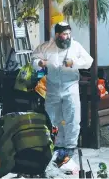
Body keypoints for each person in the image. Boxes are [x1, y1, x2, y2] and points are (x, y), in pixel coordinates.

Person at [31, 22, 93, 166]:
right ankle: (57, 145)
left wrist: (74, 62)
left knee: (72, 117)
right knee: (53, 117)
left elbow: (88, 61)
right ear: (57, 35)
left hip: (70, 86)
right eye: (64, 34)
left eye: (68, 34)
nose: (67, 37)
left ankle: (70, 146)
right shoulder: (47, 47)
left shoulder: (75, 46)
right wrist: (40, 63)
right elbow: (33, 59)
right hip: (52, 87)